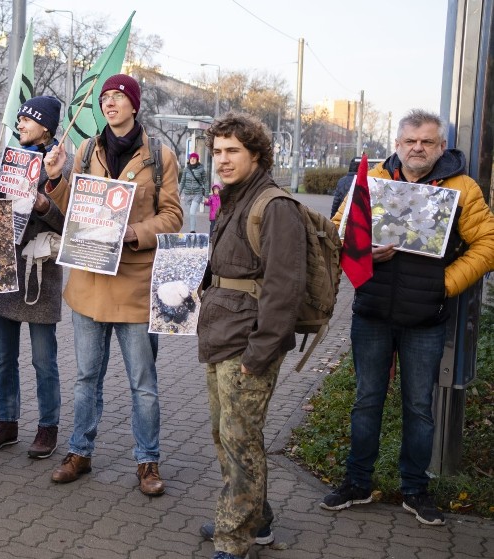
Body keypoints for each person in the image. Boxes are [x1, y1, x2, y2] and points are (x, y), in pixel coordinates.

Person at [321, 109, 494, 526]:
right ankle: (357, 482)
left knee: (419, 408)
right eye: (410, 141)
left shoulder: (462, 188)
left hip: (426, 318)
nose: (418, 148)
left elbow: (487, 243)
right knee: (366, 402)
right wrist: (360, 251)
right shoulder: (372, 179)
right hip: (373, 313)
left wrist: (445, 284)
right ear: (397, 144)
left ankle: (415, 489)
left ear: (440, 146)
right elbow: (335, 233)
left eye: (427, 142)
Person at [43, 74, 183, 496]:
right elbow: (71, 211)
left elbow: (173, 217)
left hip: (136, 287)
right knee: (86, 377)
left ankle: (147, 462)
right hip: (89, 281)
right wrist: (55, 181)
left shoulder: (160, 155)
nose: (109, 103)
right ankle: (79, 452)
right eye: (104, 98)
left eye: (118, 97)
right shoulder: (86, 150)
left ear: (134, 105)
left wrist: (133, 232)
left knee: (144, 382)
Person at [196, 112, 307, 559]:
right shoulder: (232, 196)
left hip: (248, 344)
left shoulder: (274, 206)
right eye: (217, 151)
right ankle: (253, 519)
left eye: (232, 151)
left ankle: (235, 538)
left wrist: (258, 354)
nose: (221, 160)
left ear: (256, 154)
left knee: (241, 439)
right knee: (225, 434)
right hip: (222, 333)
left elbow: (285, 289)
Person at [0, 96, 72, 459]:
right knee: (4, 357)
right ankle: (7, 422)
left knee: (43, 359)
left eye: (27, 119)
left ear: (46, 126)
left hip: (40, 274)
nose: (19, 124)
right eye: (18, 119)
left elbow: (71, 223)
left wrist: (44, 203)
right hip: (4, 267)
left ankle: (48, 427)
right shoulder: (8, 158)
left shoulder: (62, 164)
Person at [179, 151, 208, 233]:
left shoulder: (201, 169)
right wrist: (179, 193)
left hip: (197, 194)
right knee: (191, 214)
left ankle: (192, 231)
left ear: (197, 160)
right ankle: (193, 229)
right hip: (187, 194)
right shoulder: (186, 169)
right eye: (191, 158)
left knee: (192, 212)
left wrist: (206, 196)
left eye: (194, 158)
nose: (192, 159)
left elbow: (205, 182)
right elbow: (182, 181)